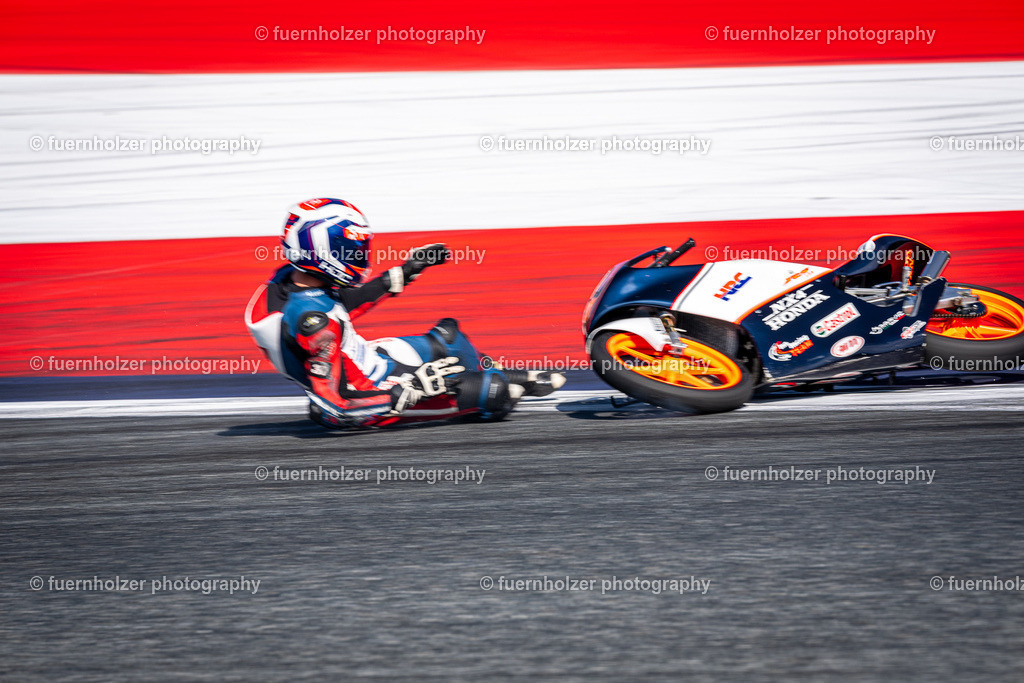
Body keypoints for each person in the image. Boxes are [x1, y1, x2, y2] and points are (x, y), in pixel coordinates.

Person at [245, 197, 564, 428]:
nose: (359, 256)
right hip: (368, 398)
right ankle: (500, 381)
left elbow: (340, 305)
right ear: (320, 251)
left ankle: (501, 374)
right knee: (492, 394)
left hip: (369, 359)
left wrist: (407, 271)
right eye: (350, 250)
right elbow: (334, 406)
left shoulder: (290, 280)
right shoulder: (311, 321)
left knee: (450, 337)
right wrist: (410, 391)